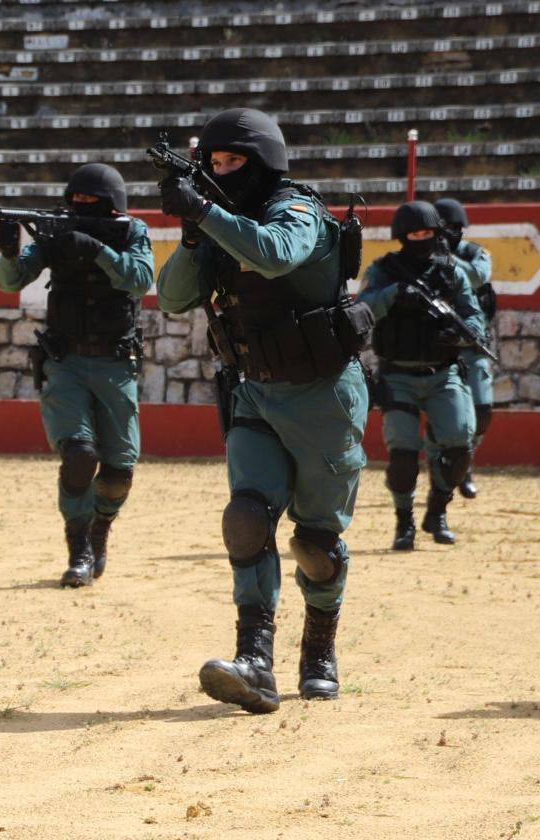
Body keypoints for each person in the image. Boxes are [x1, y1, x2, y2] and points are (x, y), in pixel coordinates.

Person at [156, 108, 372, 714]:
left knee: (315, 543)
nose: (220, 172)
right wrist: (195, 235)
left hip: (323, 395)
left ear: (263, 162)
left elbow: (278, 255)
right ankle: (254, 660)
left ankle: (320, 650)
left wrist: (204, 211)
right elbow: (173, 298)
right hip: (253, 389)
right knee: (247, 518)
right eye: (213, 164)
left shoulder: (296, 209)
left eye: (231, 163)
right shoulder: (221, 225)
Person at [0, 163, 154, 587]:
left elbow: (140, 279)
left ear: (112, 206)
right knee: (80, 454)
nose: (79, 207)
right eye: (75, 201)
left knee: (119, 469)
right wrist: (9, 253)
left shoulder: (132, 231)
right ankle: (79, 549)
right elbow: (11, 282)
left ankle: (100, 527)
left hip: (116, 364)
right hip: (65, 362)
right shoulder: (56, 233)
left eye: (90, 203)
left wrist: (96, 250)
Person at [358, 200, 484, 550]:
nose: (421, 239)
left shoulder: (452, 272)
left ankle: (438, 511)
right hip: (397, 375)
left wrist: (458, 334)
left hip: (444, 373)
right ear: (402, 236)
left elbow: (473, 317)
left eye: (428, 233)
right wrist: (396, 294)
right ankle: (405, 523)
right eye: (414, 233)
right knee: (402, 455)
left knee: (460, 446)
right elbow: (363, 306)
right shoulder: (384, 270)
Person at [433, 198, 493, 499]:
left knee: (482, 410)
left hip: (473, 343)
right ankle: (448, 470)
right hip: (441, 346)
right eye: (445, 227)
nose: (451, 233)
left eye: (456, 228)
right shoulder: (423, 257)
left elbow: (479, 276)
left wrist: (449, 258)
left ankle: (465, 461)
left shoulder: (475, 254)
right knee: (444, 415)